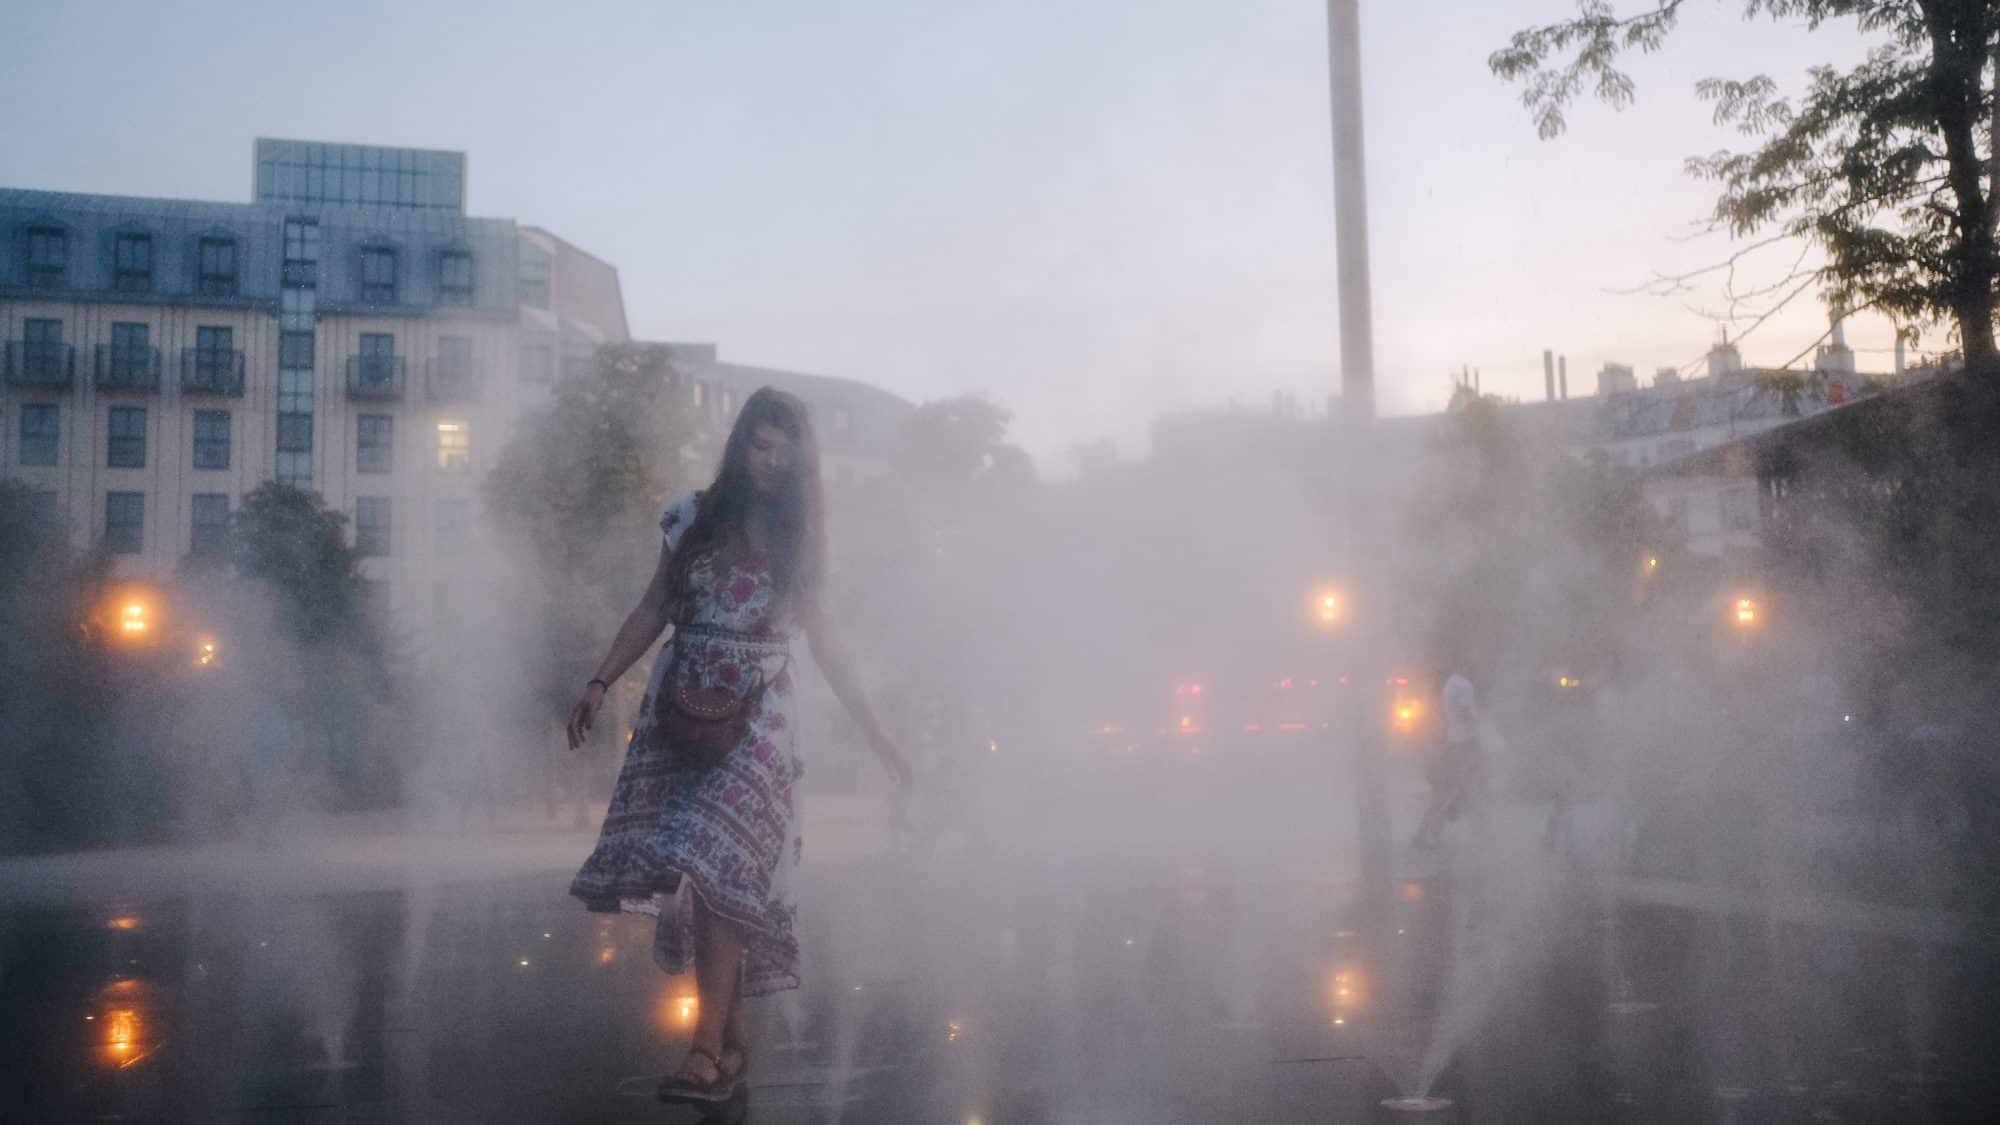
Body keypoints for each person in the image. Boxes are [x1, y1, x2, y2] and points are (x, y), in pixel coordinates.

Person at [565, 388, 911, 1106]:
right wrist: (601, 680)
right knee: (700, 868)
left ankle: (703, 1047)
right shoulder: (689, 517)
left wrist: (877, 730)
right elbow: (654, 606)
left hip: (759, 717)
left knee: (715, 864)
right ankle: (728, 1033)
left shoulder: (798, 540)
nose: (773, 461)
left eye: (787, 451)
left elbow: (826, 640)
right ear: (740, 443)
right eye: (762, 444)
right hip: (681, 707)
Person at [1411, 660, 1486, 852]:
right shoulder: (1463, 684)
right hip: (1465, 743)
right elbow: (1465, 711)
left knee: (1450, 791)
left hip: (1454, 743)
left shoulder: (1450, 683)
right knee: (1468, 790)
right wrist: (1478, 732)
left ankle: (1429, 832)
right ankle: (1481, 838)